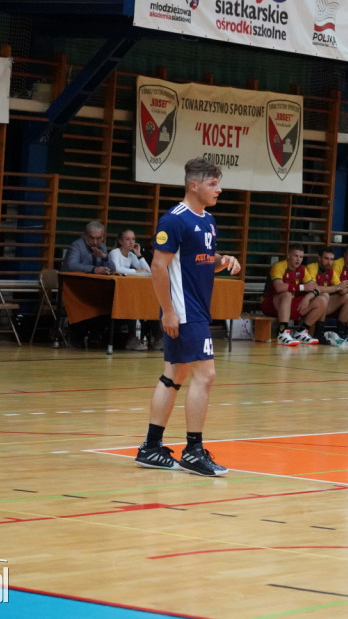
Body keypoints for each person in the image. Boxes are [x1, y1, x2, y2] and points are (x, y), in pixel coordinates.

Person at [133, 158, 241, 477]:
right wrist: (168, 311)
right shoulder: (174, 219)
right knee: (205, 376)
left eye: (219, 183)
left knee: (174, 376)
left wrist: (224, 260)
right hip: (184, 311)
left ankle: (151, 447)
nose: (219, 189)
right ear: (194, 185)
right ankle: (193, 452)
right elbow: (158, 267)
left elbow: (201, 258)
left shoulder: (208, 220)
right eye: (212, 183)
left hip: (195, 309)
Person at [261, 244, 326, 346]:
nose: (298, 259)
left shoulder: (302, 269)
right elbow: (279, 287)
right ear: (288, 255)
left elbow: (316, 288)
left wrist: (307, 298)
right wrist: (303, 287)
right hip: (270, 304)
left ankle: (302, 332)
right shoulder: (279, 266)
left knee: (322, 299)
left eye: (301, 257)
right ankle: (282, 333)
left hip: (289, 304)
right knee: (286, 294)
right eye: (296, 256)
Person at [109, 229, 158, 351]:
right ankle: (132, 338)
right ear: (120, 241)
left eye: (133, 239)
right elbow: (117, 269)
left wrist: (139, 255)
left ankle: (155, 336)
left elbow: (149, 272)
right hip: (113, 291)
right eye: (127, 239)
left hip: (128, 291)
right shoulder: (115, 253)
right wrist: (135, 271)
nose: (131, 242)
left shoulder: (131, 255)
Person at [305, 246, 348, 346]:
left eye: (332, 259)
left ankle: (340, 332)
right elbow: (315, 288)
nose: (329, 262)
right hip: (308, 303)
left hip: (322, 303)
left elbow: (342, 290)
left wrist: (343, 286)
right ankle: (319, 333)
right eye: (326, 258)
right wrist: (337, 288)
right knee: (324, 296)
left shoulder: (331, 271)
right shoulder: (312, 268)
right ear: (319, 258)